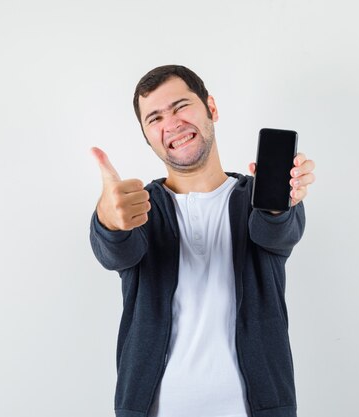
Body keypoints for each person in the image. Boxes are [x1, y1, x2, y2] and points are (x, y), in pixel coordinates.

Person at [89, 65, 315, 417]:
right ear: (147, 137)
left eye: (181, 106)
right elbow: (115, 251)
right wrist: (108, 220)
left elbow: (277, 232)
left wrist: (279, 206)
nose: (172, 123)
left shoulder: (258, 201)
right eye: (155, 118)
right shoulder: (139, 209)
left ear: (211, 107)